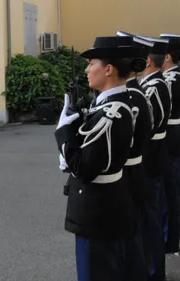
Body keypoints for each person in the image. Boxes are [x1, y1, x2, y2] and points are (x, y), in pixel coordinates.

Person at [56, 36, 138, 281]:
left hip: (98, 211)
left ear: (109, 69)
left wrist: (63, 132)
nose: (87, 69)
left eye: (92, 63)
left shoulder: (111, 113)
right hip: (105, 207)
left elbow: (84, 167)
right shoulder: (112, 106)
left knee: (96, 273)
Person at [116, 30, 153, 281]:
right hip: (131, 170)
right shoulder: (131, 93)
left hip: (128, 172)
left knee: (132, 235)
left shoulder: (133, 95)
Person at [137, 36, 171, 281]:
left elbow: (145, 130)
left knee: (149, 223)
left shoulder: (152, 88)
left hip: (150, 161)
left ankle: (154, 272)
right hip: (155, 157)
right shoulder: (156, 84)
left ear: (147, 61)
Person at [160, 35, 180, 255]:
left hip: (169, 134)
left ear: (167, 57)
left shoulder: (170, 80)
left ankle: (169, 239)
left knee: (169, 189)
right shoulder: (179, 74)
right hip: (176, 130)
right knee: (173, 186)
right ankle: (170, 237)